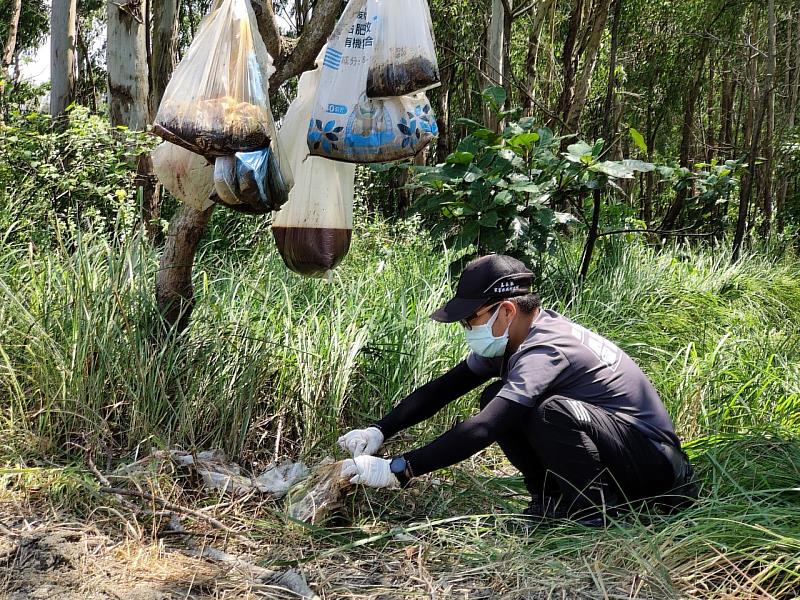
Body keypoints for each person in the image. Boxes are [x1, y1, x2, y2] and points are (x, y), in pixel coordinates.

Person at [339, 254, 697, 525]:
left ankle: (595, 512)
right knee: (496, 395)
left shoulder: (545, 349)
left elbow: (484, 427)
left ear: (506, 310)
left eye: (470, 318)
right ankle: (552, 500)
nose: (466, 327)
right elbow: (445, 388)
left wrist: (400, 468)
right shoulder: (516, 338)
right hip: (628, 451)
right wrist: (379, 430)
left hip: (659, 466)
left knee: (545, 411)